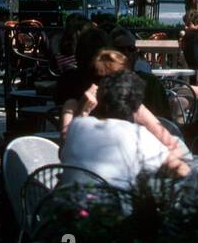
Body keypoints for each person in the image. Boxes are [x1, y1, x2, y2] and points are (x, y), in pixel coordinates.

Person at [61, 71, 191, 191]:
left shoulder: (78, 125)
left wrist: (83, 111)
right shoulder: (139, 136)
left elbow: (63, 152)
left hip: (64, 210)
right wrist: (142, 114)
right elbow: (182, 169)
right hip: (109, 213)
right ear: (136, 106)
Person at [60, 49, 184, 156]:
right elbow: (64, 152)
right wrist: (82, 113)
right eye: (99, 79)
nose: (106, 87)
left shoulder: (133, 108)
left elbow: (171, 145)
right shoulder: (73, 106)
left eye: (114, 80)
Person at [109, 28, 172, 119]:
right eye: (121, 49)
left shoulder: (150, 83)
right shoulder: (102, 85)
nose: (127, 53)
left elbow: (164, 120)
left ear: (135, 53)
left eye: (131, 49)